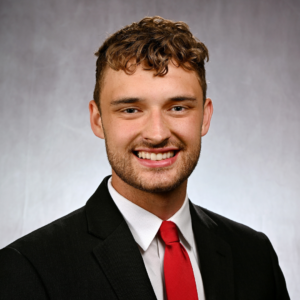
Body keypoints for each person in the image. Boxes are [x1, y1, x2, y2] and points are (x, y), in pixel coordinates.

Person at [0, 16, 289, 300]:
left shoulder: (255, 255)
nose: (157, 133)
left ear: (205, 116)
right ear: (98, 120)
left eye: (177, 108)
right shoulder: (27, 268)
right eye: (131, 110)